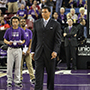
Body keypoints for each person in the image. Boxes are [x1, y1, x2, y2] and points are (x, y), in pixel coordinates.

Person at [31, 6, 61, 90]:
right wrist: (32, 51)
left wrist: (55, 51)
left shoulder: (56, 24)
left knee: (51, 76)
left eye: (45, 12)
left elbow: (58, 40)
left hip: (51, 54)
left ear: (49, 13)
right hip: (39, 53)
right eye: (42, 12)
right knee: (38, 76)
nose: (43, 13)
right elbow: (34, 39)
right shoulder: (36, 23)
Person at [4, 16, 26, 87]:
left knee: (18, 66)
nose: (15, 23)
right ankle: (9, 81)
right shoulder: (8, 30)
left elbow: (24, 40)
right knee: (9, 66)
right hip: (11, 49)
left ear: (18, 22)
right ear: (11, 22)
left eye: (16, 22)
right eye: (13, 22)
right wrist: (8, 43)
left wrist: (21, 43)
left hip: (18, 49)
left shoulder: (21, 30)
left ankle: (17, 80)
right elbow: (5, 39)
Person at [20, 18, 35, 84]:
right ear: (19, 23)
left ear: (25, 23)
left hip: (27, 50)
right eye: (21, 21)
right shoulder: (18, 31)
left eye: (24, 21)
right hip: (20, 51)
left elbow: (31, 41)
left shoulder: (29, 31)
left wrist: (29, 50)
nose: (23, 22)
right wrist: (21, 51)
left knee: (29, 64)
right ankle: (19, 78)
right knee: (19, 66)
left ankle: (32, 78)